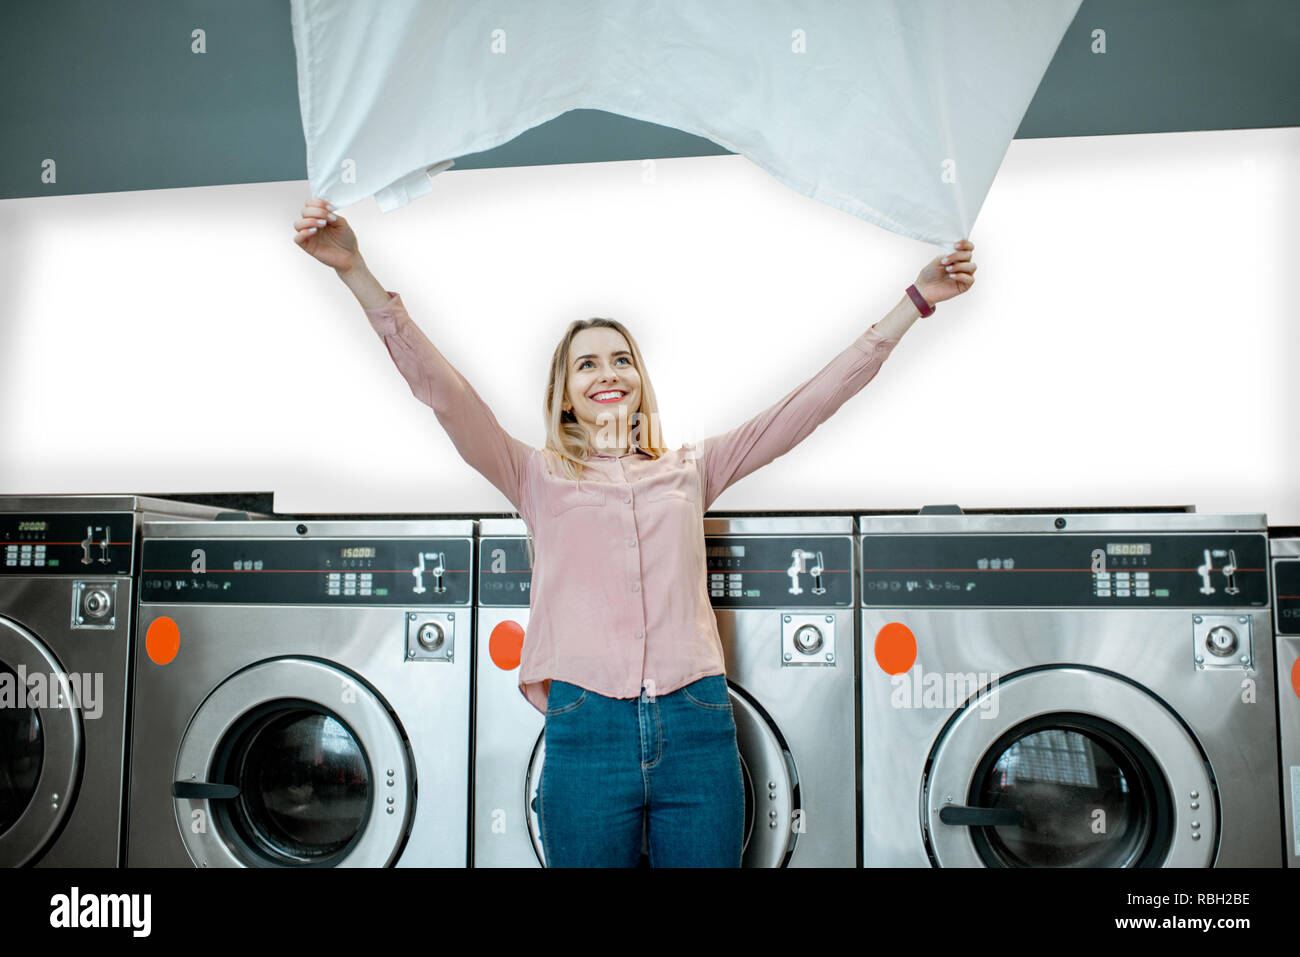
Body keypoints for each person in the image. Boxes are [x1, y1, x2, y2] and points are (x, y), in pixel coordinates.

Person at [293, 195, 977, 867]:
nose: (607, 373)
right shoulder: (533, 475)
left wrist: (914, 302)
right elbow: (445, 392)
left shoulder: (692, 469)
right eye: (586, 363)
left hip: (697, 722)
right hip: (586, 729)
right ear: (565, 392)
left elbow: (808, 404)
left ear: (639, 380)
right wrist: (356, 270)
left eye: (620, 359)